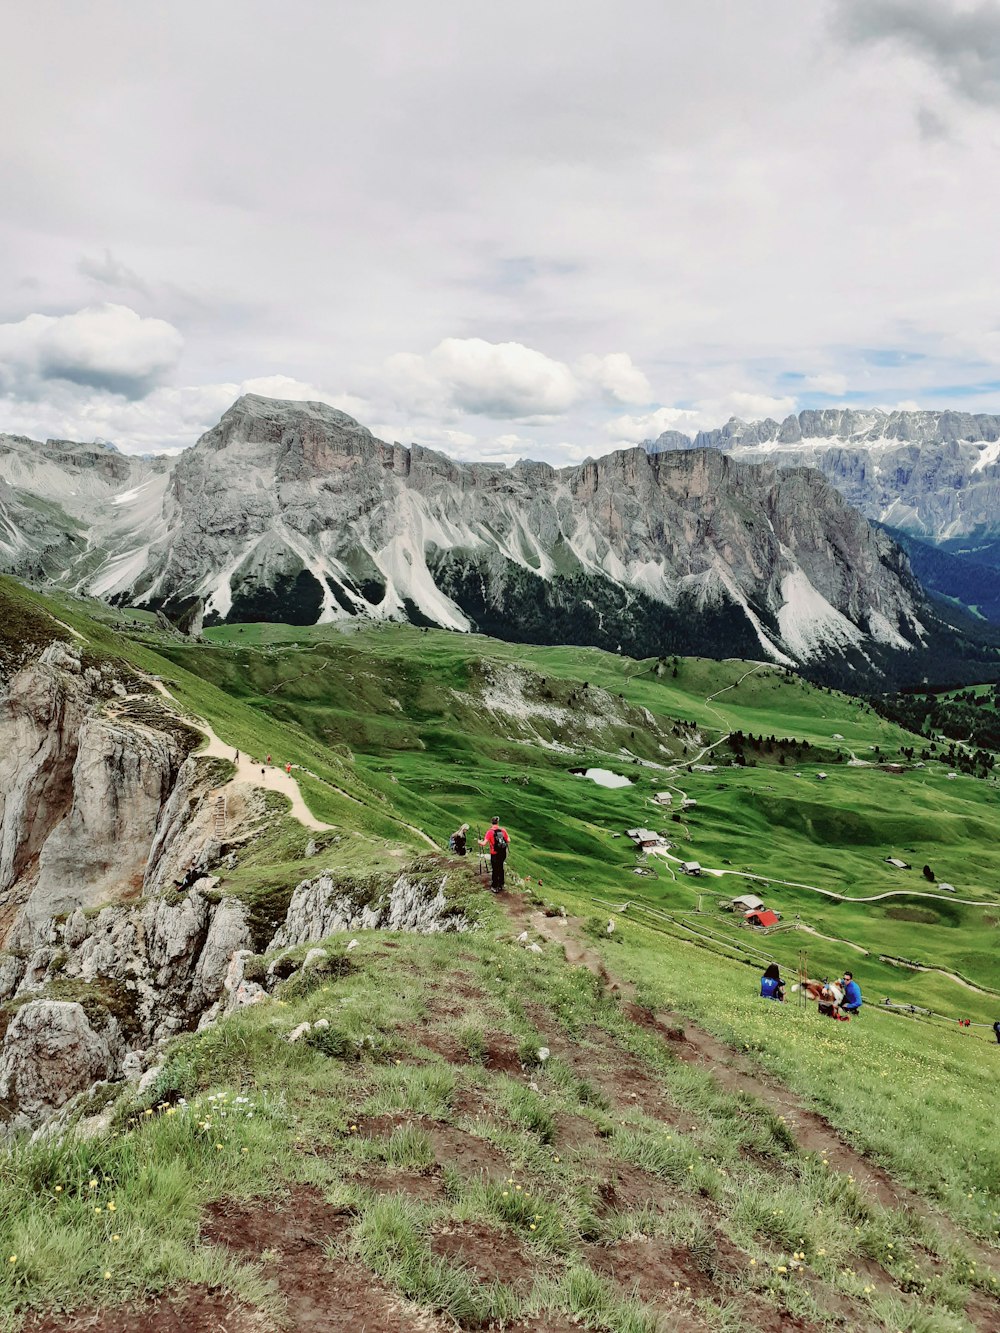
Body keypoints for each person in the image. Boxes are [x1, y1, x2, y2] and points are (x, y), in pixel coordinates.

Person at [479, 817, 510, 892]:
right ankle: (501, 884)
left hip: (494, 853)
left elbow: (484, 843)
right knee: (501, 867)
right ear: (498, 822)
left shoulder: (490, 832)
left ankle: (494, 886)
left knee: (495, 869)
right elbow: (508, 840)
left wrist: (479, 841)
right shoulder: (503, 830)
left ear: (491, 823)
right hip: (502, 853)